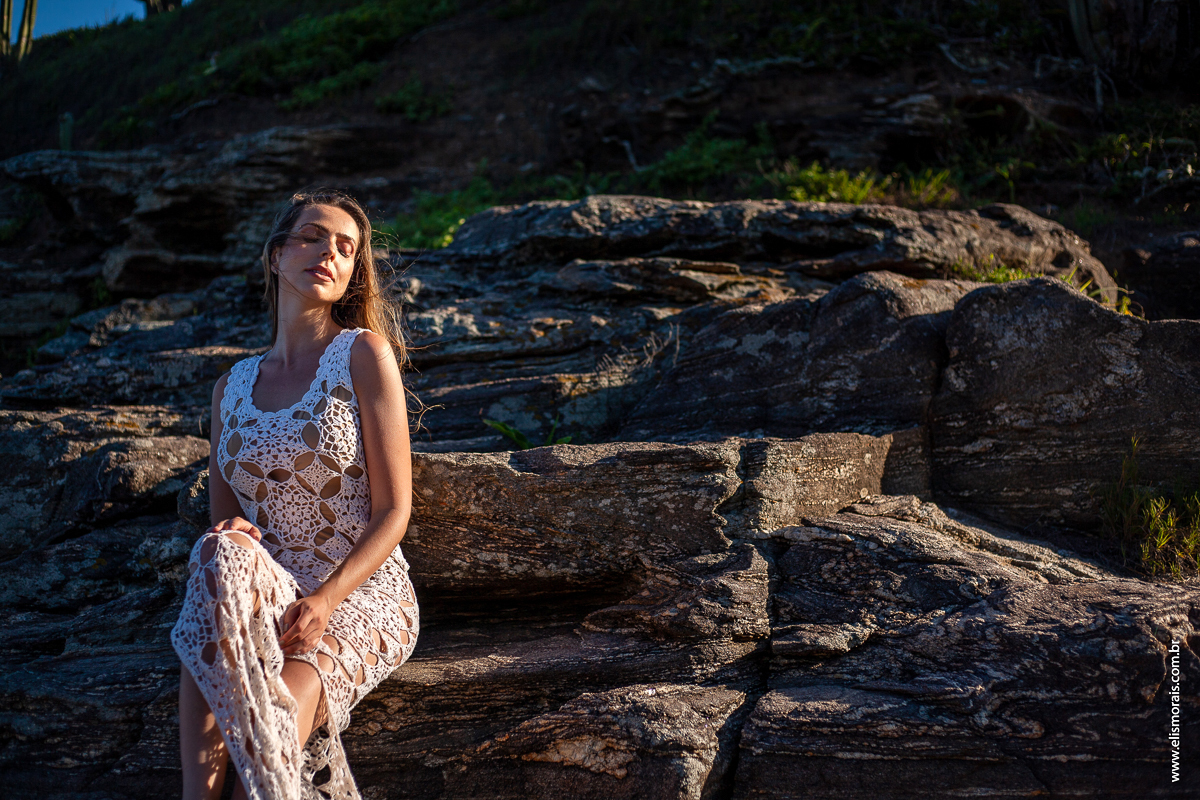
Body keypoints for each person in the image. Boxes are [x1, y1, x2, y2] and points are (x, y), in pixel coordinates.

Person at [171, 190, 419, 800]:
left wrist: (327, 599)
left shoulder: (361, 353)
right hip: (271, 592)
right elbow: (227, 525)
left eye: (346, 248)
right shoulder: (231, 386)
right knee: (215, 555)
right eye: (312, 237)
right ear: (277, 255)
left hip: (359, 592)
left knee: (271, 731)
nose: (329, 254)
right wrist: (233, 540)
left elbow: (395, 511)